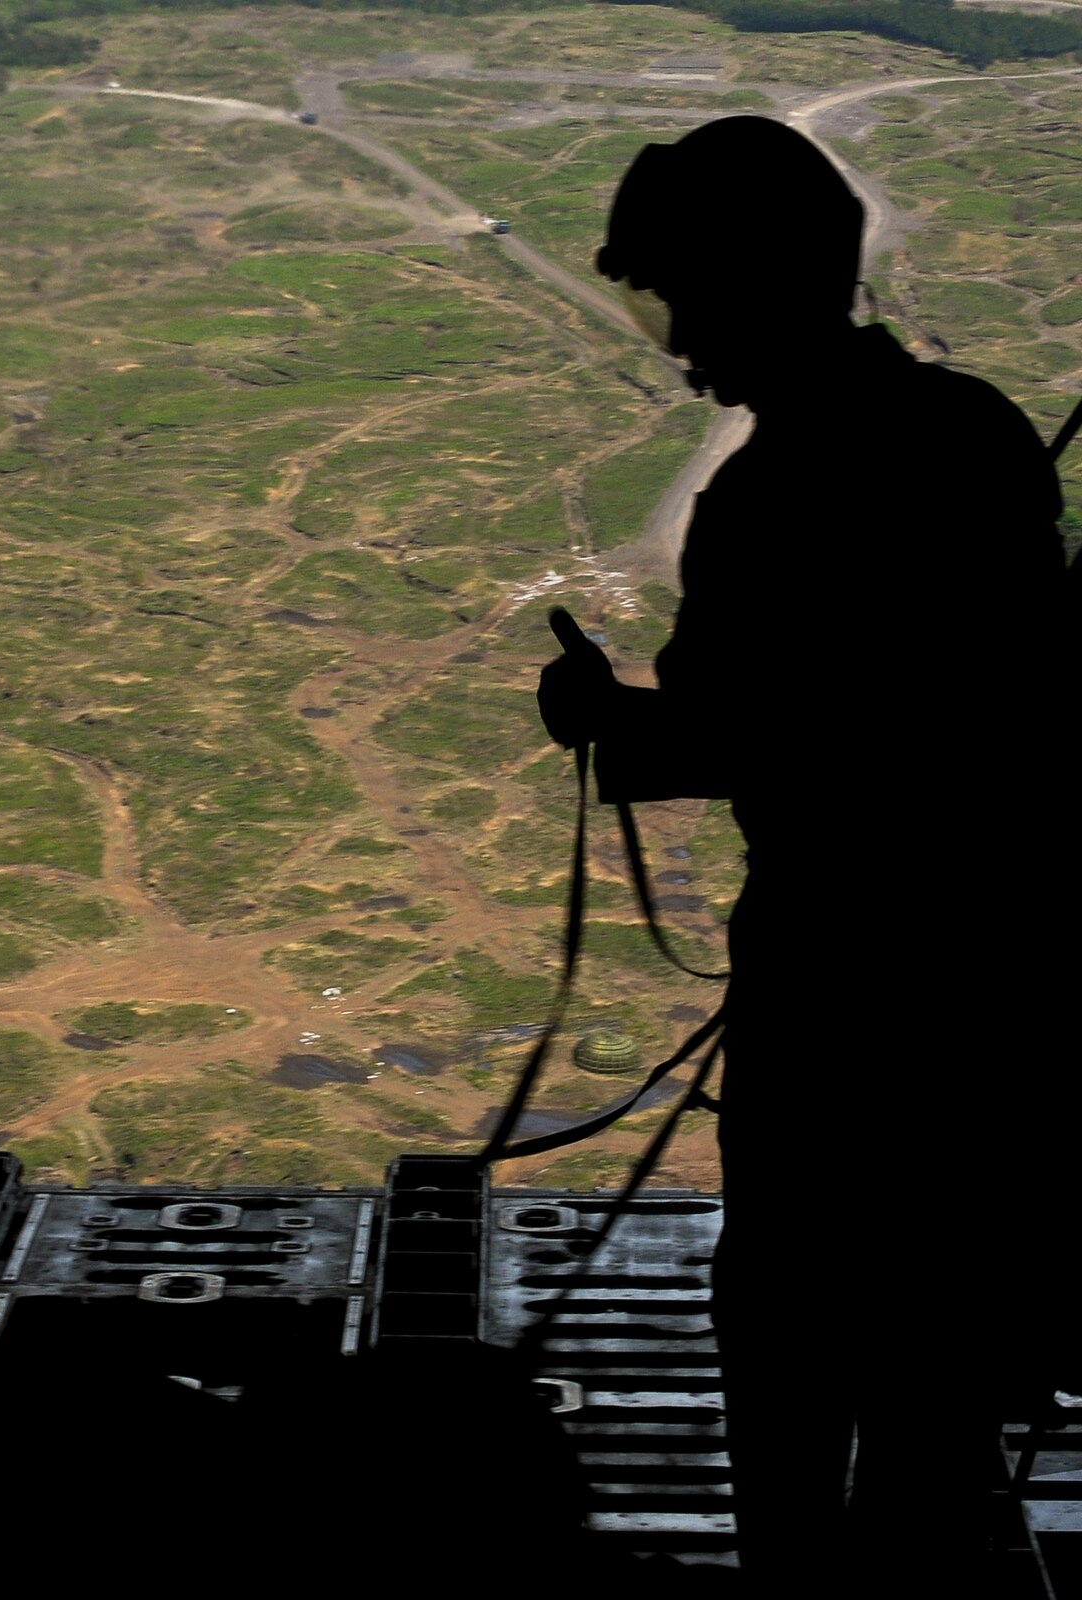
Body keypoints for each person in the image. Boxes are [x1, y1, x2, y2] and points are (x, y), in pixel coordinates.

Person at [534, 116, 1069, 1589]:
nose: (683, 345)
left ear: (750, 283)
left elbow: (735, 740)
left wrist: (597, 714)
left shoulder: (773, 497)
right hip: (995, 974)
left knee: (789, 1335)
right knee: (937, 1357)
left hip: (843, 983)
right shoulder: (978, 434)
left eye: (685, 300)